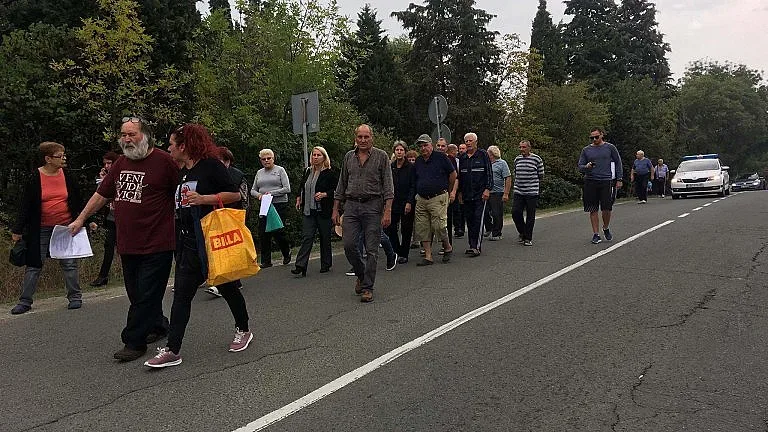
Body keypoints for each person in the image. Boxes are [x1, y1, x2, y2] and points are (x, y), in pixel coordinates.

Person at [69, 116, 178, 361]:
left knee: (147, 293)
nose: (127, 139)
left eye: (132, 134)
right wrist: (81, 218)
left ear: (146, 136)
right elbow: (102, 194)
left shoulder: (164, 162)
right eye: (124, 135)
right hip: (128, 242)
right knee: (137, 293)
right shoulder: (120, 163)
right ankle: (158, 325)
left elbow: (181, 191)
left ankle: (134, 341)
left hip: (158, 241)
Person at [143, 123, 252, 368]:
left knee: (227, 287)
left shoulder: (210, 166)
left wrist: (205, 199)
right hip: (187, 241)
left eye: (171, 144)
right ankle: (173, 349)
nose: (168, 148)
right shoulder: (182, 172)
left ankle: (243, 329)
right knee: (182, 294)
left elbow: (235, 195)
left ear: (184, 146)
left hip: (211, 241)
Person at [10, 142, 89, 314]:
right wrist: (17, 229)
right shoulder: (34, 178)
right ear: (48, 159)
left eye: (64, 155)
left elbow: (78, 199)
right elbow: (25, 205)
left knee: (69, 263)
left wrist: (87, 219)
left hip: (65, 227)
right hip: (41, 228)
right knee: (34, 264)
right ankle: (25, 301)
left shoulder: (67, 175)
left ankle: (75, 297)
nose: (64, 158)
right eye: (60, 156)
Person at [332, 124, 394, 303]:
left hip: (373, 205)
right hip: (351, 205)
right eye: (360, 137)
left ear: (372, 138)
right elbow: (341, 184)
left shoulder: (381, 156)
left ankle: (368, 287)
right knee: (349, 245)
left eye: (366, 137)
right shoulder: (348, 157)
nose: (363, 140)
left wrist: (387, 211)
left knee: (372, 249)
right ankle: (361, 274)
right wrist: (336, 209)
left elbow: (388, 186)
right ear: (355, 138)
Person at [205, 146, 249, 297]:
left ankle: (232, 282)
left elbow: (243, 198)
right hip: (215, 216)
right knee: (219, 248)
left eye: (219, 161)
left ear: (227, 161)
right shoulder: (212, 175)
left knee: (231, 249)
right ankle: (222, 282)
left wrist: (242, 218)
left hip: (232, 215)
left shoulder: (237, 175)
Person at [292, 146, 337, 276]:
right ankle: (300, 265)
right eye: (314, 155)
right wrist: (299, 198)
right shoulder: (307, 171)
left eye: (318, 155)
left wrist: (324, 194)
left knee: (325, 237)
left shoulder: (329, 173)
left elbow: (337, 190)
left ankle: (326, 263)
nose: (315, 157)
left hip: (323, 210)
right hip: (309, 210)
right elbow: (302, 185)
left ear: (324, 157)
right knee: (307, 236)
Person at [412, 134, 456, 265]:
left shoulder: (441, 157)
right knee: (422, 227)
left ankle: (447, 246)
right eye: (421, 146)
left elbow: (453, 174)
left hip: (438, 196)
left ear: (431, 145)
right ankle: (428, 255)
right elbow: (415, 178)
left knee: (439, 226)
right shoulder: (419, 161)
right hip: (421, 198)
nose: (423, 148)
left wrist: (448, 190)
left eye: (425, 145)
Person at [577, 128, 623, 244]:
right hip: (591, 180)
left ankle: (606, 227)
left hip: (606, 180)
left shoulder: (610, 148)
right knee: (593, 209)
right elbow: (580, 166)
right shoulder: (586, 150)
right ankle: (596, 234)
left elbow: (618, 162)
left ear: (602, 135)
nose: (594, 139)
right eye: (592, 137)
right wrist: (587, 166)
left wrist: (619, 179)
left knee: (606, 208)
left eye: (596, 137)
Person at [251, 148, 291, 268]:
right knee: (263, 232)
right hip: (265, 205)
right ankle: (266, 260)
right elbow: (253, 190)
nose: (267, 161)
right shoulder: (259, 173)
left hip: (278, 204)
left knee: (278, 230)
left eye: (269, 158)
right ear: (261, 160)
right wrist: (259, 196)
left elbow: (287, 188)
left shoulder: (280, 170)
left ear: (273, 158)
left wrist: (271, 193)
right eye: (264, 159)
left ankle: (286, 252)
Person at [457, 132, 492, 257]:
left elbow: (489, 173)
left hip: (480, 195)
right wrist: (459, 192)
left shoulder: (483, 155)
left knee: (478, 219)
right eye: (466, 141)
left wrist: (488, 189)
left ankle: (476, 247)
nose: (468, 143)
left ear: (476, 142)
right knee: (470, 221)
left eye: (470, 141)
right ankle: (471, 245)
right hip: (467, 195)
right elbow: (459, 177)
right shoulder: (462, 158)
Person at [90, 151, 120, 287]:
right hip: (111, 217)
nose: (107, 166)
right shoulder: (105, 177)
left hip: (124, 218)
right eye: (105, 164)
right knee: (108, 246)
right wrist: (102, 180)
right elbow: (99, 196)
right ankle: (103, 276)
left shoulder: (121, 175)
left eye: (109, 163)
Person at [385, 141, 415, 265]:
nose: (399, 152)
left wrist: (409, 202)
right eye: (397, 150)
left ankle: (404, 253)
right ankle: (396, 250)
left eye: (401, 150)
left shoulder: (411, 167)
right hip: (394, 201)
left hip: (406, 200)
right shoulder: (391, 166)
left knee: (406, 229)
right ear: (394, 152)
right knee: (391, 228)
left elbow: (413, 186)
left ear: (405, 152)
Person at [511, 141, 544, 246]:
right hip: (519, 191)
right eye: (520, 147)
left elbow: (541, 175)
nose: (521, 149)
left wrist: (533, 185)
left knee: (530, 215)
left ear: (529, 148)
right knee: (515, 212)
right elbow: (515, 172)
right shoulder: (517, 159)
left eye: (524, 147)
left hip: (531, 191)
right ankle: (522, 231)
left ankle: (528, 238)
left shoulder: (536, 159)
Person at [484, 145, 511, 241]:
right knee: (485, 212)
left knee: (496, 213)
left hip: (497, 192)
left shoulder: (502, 163)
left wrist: (506, 193)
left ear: (492, 154)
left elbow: (507, 178)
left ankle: (497, 233)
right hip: (486, 191)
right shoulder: (486, 163)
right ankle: (489, 228)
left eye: (488, 153)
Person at [405, 150, 421, 250]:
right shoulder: (406, 169)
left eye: (413, 159)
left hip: (418, 195)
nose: (411, 161)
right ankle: (411, 238)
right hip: (408, 196)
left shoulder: (418, 169)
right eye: (409, 159)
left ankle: (417, 239)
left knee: (418, 220)